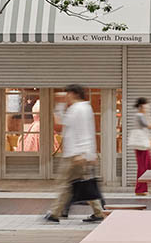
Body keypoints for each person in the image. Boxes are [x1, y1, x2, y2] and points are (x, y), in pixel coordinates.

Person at [45, 85, 108, 224]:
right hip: (75, 154)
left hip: (76, 155)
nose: (66, 96)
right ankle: (98, 212)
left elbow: (85, 131)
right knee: (82, 183)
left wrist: (85, 153)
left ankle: (55, 213)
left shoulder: (80, 109)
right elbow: (61, 123)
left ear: (73, 94)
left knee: (66, 184)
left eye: (67, 94)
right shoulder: (77, 108)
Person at [129, 97, 151, 195]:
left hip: (144, 145)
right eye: (146, 105)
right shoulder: (139, 115)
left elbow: (146, 129)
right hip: (141, 146)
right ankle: (140, 189)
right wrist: (147, 114)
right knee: (143, 167)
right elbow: (148, 126)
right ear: (141, 105)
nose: (148, 106)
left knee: (148, 165)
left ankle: (144, 187)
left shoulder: (141, 115)